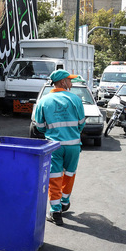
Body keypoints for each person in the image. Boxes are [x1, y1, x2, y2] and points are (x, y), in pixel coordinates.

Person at [34, 70, 86, 226]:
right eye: (69, 81)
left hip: (54, 145)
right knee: (69, 174)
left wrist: (52, 131)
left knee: (54, 177)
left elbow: (39, 126)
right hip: (73, 145)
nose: (71, 83)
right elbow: (81, 123)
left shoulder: (44, 101)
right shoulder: (75, 99)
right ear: (62, 82)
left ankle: (56, 212)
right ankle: (64, 201)